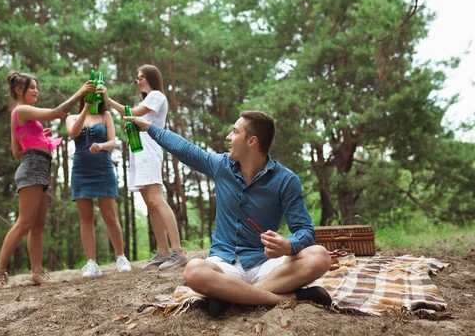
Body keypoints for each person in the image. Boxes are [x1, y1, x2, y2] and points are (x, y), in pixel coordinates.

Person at [126, 110, 332, 317]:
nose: (228, 137)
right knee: (194, 271)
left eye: (234, 132)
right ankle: (284, 298)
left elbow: (305, 230)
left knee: (319, 256)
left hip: (266, 265)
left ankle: (233, 296)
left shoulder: (286, 180)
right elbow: (184, 149)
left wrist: (288, 245)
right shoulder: (221, 166)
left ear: (251, 141)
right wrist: (148, 127)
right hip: (224, 265)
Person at [0, 71, 94, 287]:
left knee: (37, 225)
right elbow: (58, 112)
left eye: (37, 87)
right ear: (18, 90)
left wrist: (39, 137)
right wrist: (80, 92)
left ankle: (36, 271)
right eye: (32, 87)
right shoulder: (22, 109)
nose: (36, 91)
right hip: (32, 167)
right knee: (24, 222)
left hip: (39, 166)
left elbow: (17, 152)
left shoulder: (21, 115)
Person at [101, 65, 187, 270]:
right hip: (139, 151)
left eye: (142, 77)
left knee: (157, 199)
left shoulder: (157, 96)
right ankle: (163, 252)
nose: (138, 81)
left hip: (149, 149)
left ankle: (177, 250)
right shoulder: (148, 99)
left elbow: (131, 113)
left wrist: (108, 99)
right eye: (137, 78)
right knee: (150, 203)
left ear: (152, 78)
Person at [65, 96, 132, 277]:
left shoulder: (106, 116)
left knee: (110, 215)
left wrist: (101, 146)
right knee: (86, 219)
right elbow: (73, 132)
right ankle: (92, 263)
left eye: (96, 95)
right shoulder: (72, 117)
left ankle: (121, 257)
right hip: (80, 171)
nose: (93, 98)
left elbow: (113, 142)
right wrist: (85, 109)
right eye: (89, 95)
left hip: (103, 169)